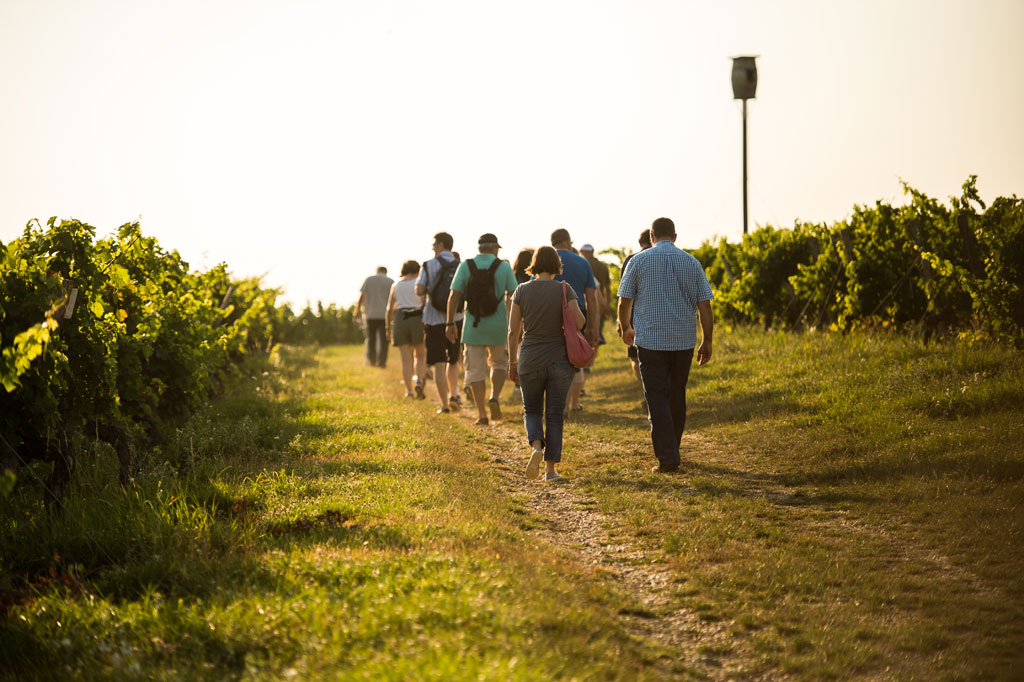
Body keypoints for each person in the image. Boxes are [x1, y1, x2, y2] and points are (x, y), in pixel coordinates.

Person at [617, 217, 714, 474]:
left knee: (656, 397)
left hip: (650, 341)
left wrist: (625, 327)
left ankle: (668, 457)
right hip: (683, 342)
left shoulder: (638, 261)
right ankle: (674, 447)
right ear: (675, 235)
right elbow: (705, 305)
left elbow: (624, 301)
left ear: (651, 236)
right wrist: (708, 340)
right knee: (676, 394)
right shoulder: (691, 262)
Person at [508, 246, 585, 482]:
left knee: (531, 410)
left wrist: (512, 361)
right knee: (554, 414)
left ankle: (536, 448)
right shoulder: (564, 289)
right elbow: (580, 323)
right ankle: (550, 471)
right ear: (556, 265)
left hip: (530, 357)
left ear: (533, 264)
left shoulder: (521, 290)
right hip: (559, 360)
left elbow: (513, 331)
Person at [446, 233, 519, 426]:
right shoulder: (503, 266)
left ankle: (482, 414)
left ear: (479, 248)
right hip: (498, 326)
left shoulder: (466, 266)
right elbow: (514, 294)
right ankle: (494, 396)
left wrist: (449, 323)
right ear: (495, 248)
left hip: (473, 326)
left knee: (475, 371)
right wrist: (515, 322)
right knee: (499, 364)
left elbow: (454, 296)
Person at [550, 228, 599, 412]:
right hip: (577, 315)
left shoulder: (544, 260)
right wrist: (593, 327)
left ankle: (559, 404)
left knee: (555, 359)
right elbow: (592, 299)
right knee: (575, 357)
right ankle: (572, 403)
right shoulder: (582, 262)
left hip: (550, 314)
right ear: (568, 241)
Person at [415, 232, 464, 414]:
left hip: (434, 319)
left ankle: (444, 405)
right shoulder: (460, 265)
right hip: (456, 318)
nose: (433, 247)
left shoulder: (428, 265)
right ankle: (454, 395)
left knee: (439, 363)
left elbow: (420, 290)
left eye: (434, 244)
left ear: (441, 244)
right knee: (454, 360)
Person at [618, 228, 653, 412]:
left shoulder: (631, 260)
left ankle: (647, 391)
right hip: (659, 316)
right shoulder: (664, 258)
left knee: (635, 357)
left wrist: (623, 323)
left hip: (634, 317)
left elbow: (623, 294)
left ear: (640, 243)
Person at [386, 260, 427, 399]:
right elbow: (424, 302)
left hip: (400, 318)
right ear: (417, 270)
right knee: (420, 355)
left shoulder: (396, 284)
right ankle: (420, 381)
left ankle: (409, 390)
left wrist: (388, 327)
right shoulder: (419, 282)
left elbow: (389, 308)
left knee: (406, 359)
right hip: (417, 317)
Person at [578, 243, 612, 391]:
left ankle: (583, 368)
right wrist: (607, 306)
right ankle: (588, 363)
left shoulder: (580, 264)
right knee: (595, 336)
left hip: (580, 306)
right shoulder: (602, 266)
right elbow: (607, 289)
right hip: (599, 305)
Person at [356, 266, 394, 368]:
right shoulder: (391, 281)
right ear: (386, 272)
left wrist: (357, 311)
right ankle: (381, 362)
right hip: (385, 315)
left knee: (371, 339)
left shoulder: (369, 279)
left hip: (370, 314)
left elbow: (362, 296)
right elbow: (394, 300)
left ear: (377, 271)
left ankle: (372, 361)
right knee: (384, 340)